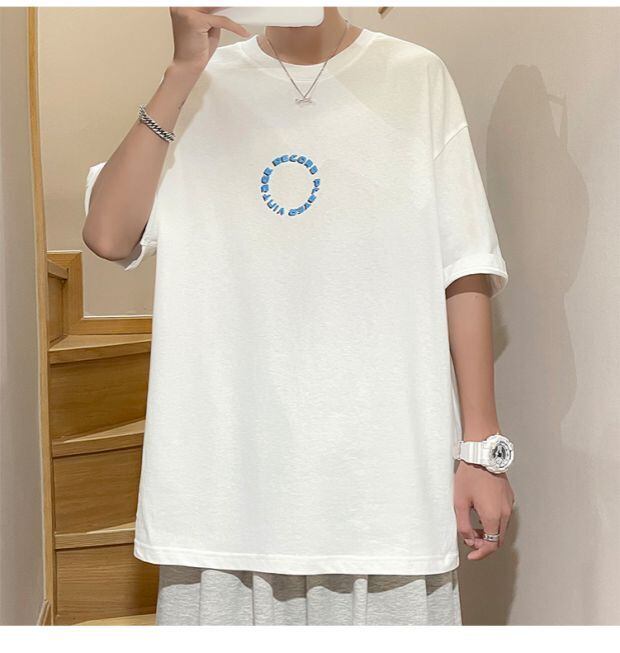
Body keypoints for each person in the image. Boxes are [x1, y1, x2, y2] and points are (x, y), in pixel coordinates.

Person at [82, 7, 515, 626]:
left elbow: (464, 267)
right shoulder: (202, 81)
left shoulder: (415, 75)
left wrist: (481, 450)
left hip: (381, 491)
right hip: (222, 498)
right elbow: (107, 235)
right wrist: (181, 69)